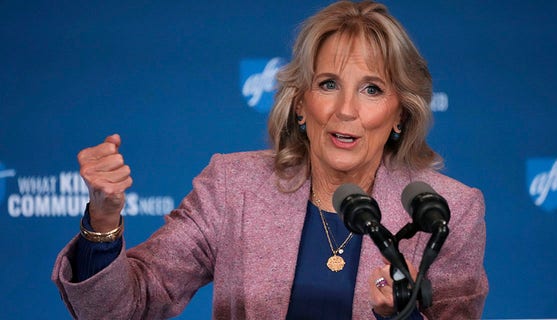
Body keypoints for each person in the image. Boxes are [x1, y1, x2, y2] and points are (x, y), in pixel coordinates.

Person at [52, 1, 488, 319]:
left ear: (400, 114)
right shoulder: (233, 187)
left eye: (372, 89)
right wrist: (104, 220)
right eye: (329, 84)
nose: (347, 111)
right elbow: (124, 307)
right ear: (300, 105)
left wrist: (404, 312)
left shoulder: (444, 211)